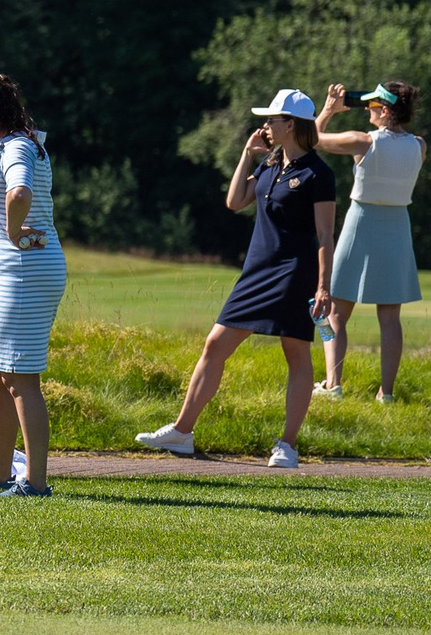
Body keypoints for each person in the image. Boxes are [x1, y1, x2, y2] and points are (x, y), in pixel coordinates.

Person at [137, 90, 334, 467]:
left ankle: (287, 446)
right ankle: (182, 432)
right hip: (257, 270)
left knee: (296, 352)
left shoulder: (317, 174)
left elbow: (325, 236)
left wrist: (323, 286)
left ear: (290, 125)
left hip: (296, 271)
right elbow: (235, 201)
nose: (266, 125)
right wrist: (248, 153)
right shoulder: (272, 162)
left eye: (273, 120)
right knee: (215, 344)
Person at [0, 71, 65, 496]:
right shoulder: (16, 144)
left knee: (21, 378)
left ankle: (35, 482)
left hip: (26, 276)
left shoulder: (18, 146)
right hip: (17, 273)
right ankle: (1, 470)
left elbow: (18, 195)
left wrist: (8, 232)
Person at [316, 81, 427, 403]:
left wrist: (328, 110)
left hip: (361, 222)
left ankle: (332, 383)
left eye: (374, 106)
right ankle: (386, 393)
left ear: (387, 110)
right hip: (398, 226)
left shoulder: (362, 141)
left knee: (332, 312)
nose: (368, 110)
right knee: (390, 318)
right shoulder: (419, 145)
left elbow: (312, 139)